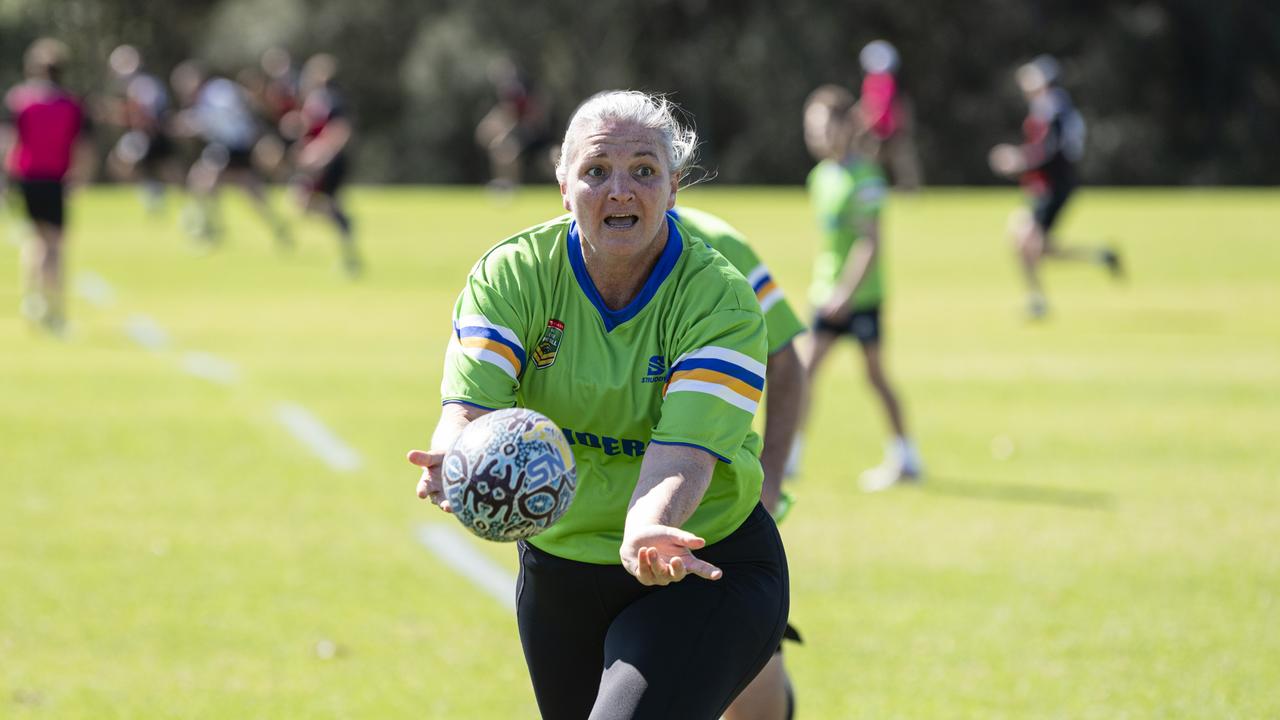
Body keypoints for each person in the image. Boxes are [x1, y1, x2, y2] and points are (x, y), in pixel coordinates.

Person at [407, 90, 788, 719]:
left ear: (674, 188)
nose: (620, 190)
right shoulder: (511, 276)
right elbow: (471, 406)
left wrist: (646, 527)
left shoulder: (720, 300)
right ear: (563, 187)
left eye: (644, 171)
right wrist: (452, 453)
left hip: (699, 560)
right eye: (596, 171)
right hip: (560, 568)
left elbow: (682, 455)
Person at [672, 206, 806, 720]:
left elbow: (787, 358)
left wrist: (770, 479)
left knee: (753, 690)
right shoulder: (550, 261)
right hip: (602, 519)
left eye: (644, 168)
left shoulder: (718, 243)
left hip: (720, 510)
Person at [801, 84, 923, 492]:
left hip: (861, 296)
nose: (816, 134)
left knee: (875, 376)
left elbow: (870, 241)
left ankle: (907, 457)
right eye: (811, 127)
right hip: (826, 293)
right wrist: (824, 288)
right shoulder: (820, 177)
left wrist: (846, 294)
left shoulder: (866, 175)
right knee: (803, 373)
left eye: (822, 125)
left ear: (843, 125)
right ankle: (789, 459)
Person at [988, 54, 1122, 319]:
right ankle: (1099, 257)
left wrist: (1018, 159)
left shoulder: (1053, 108)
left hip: (1053, 188)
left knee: (1023, 240)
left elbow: (1050, 152)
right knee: (1038, 247)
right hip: (1046, 187)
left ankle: (1037, 301)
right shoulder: (1050, 106)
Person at [2, 38, 93, 335]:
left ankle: (34, 298)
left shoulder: (20, 100)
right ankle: (55, 308)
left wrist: (6, 177)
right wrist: (79, 177)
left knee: (35, 239)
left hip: (27, 178)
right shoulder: (70, 104)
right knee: (54, 244)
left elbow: (10, 142)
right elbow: (80, 146)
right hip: (55, 179)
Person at [169, 59, 290, 248]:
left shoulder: (217, 91)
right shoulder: (201, 100)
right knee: (210, 182)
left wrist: (195, 123)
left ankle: (214, 227)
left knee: (214, 182)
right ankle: (216, 225)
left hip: (237, 145)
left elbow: (226, 114)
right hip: (225, 147)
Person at [286, 53, 361, 276]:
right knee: (305, 203)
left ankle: (350, 258)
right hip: (317, 162)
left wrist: (321, 154)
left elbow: (341, 130)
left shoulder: (332, 98)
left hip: (329, 162)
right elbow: (311, 127)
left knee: (304, 201)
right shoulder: (314, 99)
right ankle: (342, 225)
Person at [103, 44, 181, 213]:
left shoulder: (144, 84)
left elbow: (148, 114)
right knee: (121, 164)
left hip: (152, 135)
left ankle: (158, 193)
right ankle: (153, 191)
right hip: (143, 135)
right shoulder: (135, 85)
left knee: (169, 173)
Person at [473, 56, 552, 192]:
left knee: (551, 158)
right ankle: (507, 186)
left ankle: (567, 186)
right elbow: (502, 114)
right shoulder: (507, 94)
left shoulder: (523, 90)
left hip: (536, 134)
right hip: (522, 134)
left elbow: (532, 116)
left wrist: (506, 134)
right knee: (503, 151)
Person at [856, 39, 923, 191]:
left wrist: (900, 126)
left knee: (902, 161)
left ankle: (909, 189)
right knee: (870, 162)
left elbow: (896, 106)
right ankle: (869, 188)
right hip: (875, 130)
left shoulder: (888, 82)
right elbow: (868, 105)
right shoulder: (871, 82)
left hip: (891, 130)